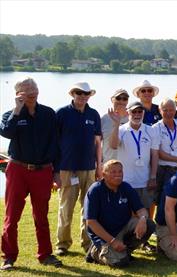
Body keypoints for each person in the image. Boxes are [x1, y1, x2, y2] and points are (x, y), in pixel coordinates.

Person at [0, 77, 63, 270]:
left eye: (33, 87)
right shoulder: (10, 115)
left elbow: (56, 144)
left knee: (41, 216)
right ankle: (9, 257)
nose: (31, 91)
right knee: (12, 216)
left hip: (43, 171)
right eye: (26, 89)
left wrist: (57, 172)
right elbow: (6, 133)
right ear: (18, 93)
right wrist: (18, 110)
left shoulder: (48, 113)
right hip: (18, 169)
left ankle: (45, 255)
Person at [53, 82, 103, 256]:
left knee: (88, 208)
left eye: (86, 93)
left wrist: (99, 166)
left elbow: (98, 143)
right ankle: (62, 244)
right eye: (79, 93)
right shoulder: (61, 113)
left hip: (89, 169)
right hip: (67, 169)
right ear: (73, 94)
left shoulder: (93, 114)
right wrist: (56, 171)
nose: (82, 96)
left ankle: (87, 242)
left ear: (89, 95)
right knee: (66, 208)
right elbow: (54, 144)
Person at [84, 160, 156, 267]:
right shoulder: (95, 190)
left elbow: (141, 209)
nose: (118, 174)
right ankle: (95, 252)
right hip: (104, 236)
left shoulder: (126, 187)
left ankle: (124, 251)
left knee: (149, 224)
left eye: (120, 172)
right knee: (120, 263)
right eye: (113, 172)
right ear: (104, 174)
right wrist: (112, 241)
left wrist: (142, 219)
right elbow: (91, 222)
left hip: (122, 230)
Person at [109, 102, 160, 245]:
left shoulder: (151, 130)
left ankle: (145, 241)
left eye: (140, 112)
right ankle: (128, 240)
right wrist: (115, 124)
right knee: (128, 213)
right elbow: (113, 145)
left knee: (147, 212)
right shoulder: (121, 129)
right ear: (128, 113)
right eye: (134, 112)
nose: (137, 115)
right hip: (126, 181)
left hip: (145, 179)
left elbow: (155, 155)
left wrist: (153, 176)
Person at [102, 89, 130, 162]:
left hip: (128, 164)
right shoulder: (103, 119)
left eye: (124, 99)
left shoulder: (132, 118)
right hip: (108, 163)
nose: (121, 101)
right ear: (112, 100)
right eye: (118, 98)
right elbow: (97, 143)